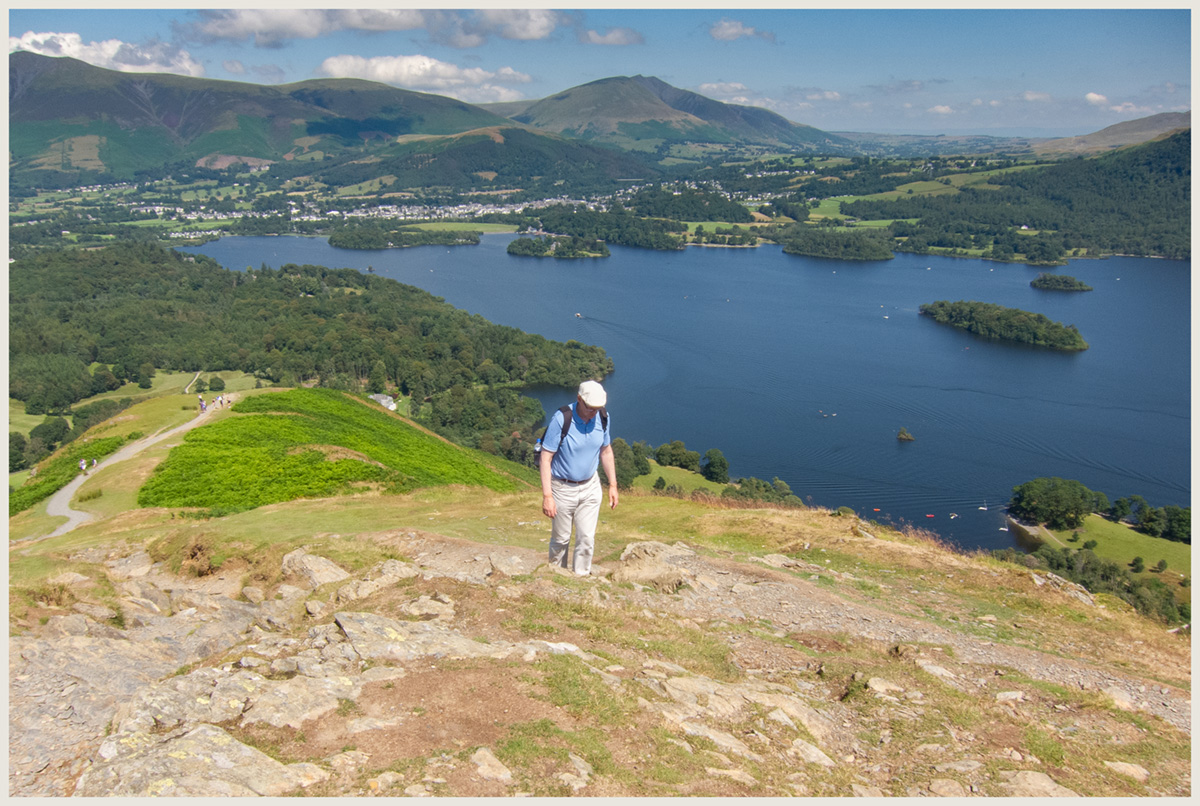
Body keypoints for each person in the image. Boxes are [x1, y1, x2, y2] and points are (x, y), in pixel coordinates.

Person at [539, 380, 618, 576]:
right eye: (589, 407)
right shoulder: (562, 419)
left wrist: (613, 485)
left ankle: (581, 578)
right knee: (561, 539)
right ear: (579, 399)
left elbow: (606, 451)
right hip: (562, 488)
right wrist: (548, 496)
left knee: (586, 538)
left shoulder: (603, 417)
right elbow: (546, 457)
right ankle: (556, 576)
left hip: (590, 486)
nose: (593, 412)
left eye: (597, 408)